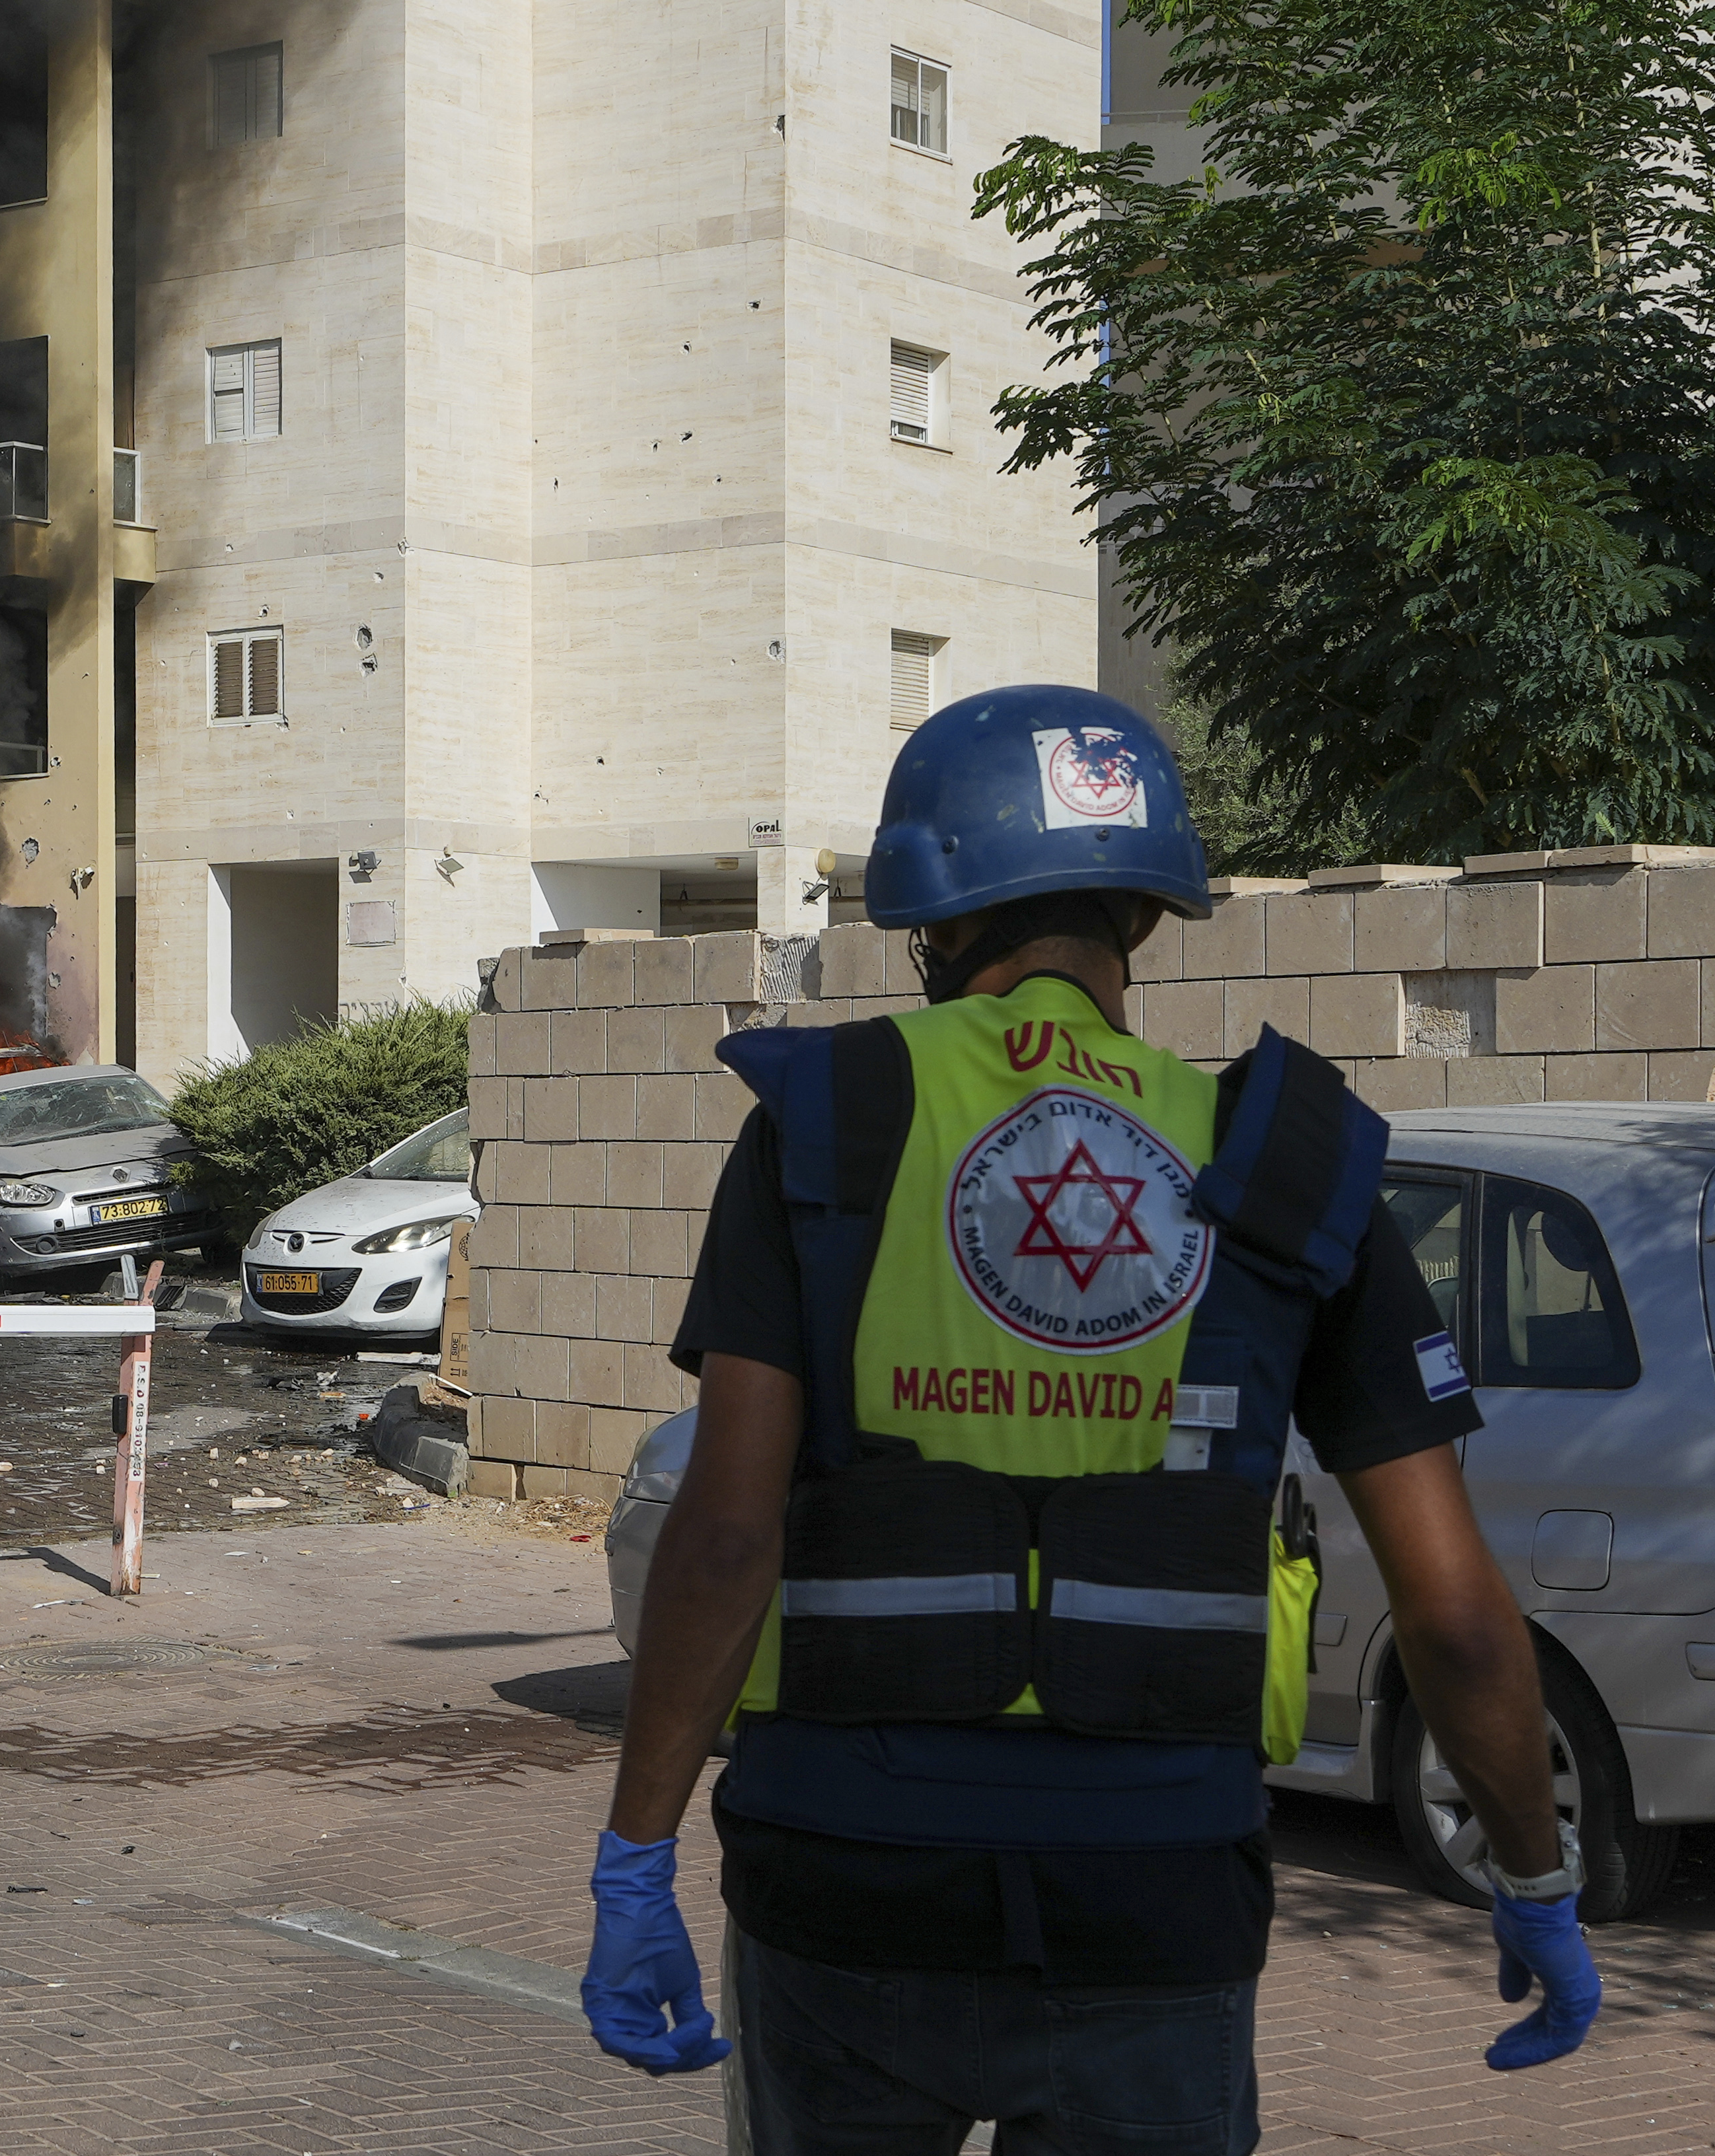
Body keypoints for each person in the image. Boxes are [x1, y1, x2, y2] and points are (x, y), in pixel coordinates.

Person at [579, 686, 1599, 2152]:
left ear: (935, 921)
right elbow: (1457, 1616)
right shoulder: (1288, 1167)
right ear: (1141, 912)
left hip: (850, 1882)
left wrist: (634, 1859)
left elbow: (729, 1534)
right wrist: (1536, 1877)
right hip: (1158, 1894)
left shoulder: (828, 1122)